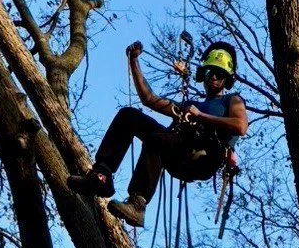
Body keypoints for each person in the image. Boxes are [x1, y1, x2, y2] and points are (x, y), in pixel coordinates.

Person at [70, 40, 247, 225]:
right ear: (204, 74)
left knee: (157, 140)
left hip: (202, 156)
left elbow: (240, 126)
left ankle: (137, 203)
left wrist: (200, 116)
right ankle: (102, 175)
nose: (213, 78)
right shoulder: (189, 106)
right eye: (210, 72)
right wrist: (133, 62)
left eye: (219, 74)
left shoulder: (231, 100)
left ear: (226, 79)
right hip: (177, 148)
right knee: (128, 116)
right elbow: (150, 99)